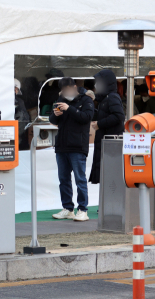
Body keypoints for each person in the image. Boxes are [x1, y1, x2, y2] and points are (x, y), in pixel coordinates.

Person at [49, 78, 95, 222]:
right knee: (63, 179)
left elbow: (86, 117)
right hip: (62, 145)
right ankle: (68, 208)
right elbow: (53, 120)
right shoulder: (60, 99)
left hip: (78, 146)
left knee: (80, 179)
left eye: (67, 90)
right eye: (62, 91)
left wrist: (70, 108)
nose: (65, 93)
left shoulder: (86, 100)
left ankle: (83, 209)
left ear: (74, 87)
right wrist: (55, 115)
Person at [89, 69, 125, 184]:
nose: (96, 85)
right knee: (106, 177)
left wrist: (99, 123)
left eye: (99, 82)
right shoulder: (104, 99)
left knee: (110, 177)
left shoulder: (112, 97)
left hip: (112, 144)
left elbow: (119, 116)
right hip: (106, 143)